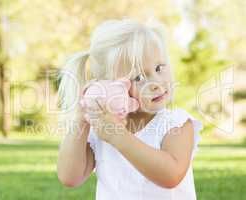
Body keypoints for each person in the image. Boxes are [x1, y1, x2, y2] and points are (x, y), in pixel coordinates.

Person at [57, 18, 203, 200]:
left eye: (159, 68)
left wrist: (119, 136)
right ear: (108, 86)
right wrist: (81, 119)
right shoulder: (102, 130)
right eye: (139, 78)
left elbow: (171, 176)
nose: (156, 83)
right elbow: (69, 177)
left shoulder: (175, 123)